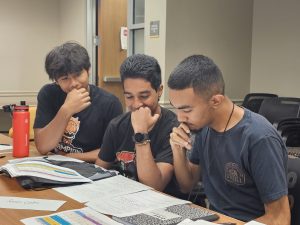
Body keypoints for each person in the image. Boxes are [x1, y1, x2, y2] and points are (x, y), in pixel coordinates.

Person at [167, 55, 290, 224]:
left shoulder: (259, 138)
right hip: (216, 219)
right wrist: (177, 150)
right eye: (176, 109)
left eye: (186, 110)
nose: (180, 118)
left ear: (216, 101)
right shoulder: (204, 128)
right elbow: (187, 185)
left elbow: (280, 218)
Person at [95, 54, 184, 197]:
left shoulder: (174, 128)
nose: (136, 104)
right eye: (129, 96)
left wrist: (141, 132)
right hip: (121, 200)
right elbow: (98, 172)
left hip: (160, 204)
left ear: (159, 91)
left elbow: (154, 186)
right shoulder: (116, 125)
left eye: (144, 96)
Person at [34, 42, 123, 163]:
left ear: (88, 70)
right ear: (56, 80)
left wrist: (70, 157)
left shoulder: (110, 103)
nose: (74, 83)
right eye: (65, 79)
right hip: (55, 167)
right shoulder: (48, 94)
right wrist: (66, 110)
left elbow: (114, 151)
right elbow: (43, 147)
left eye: (78, 75)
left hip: (92, 168)